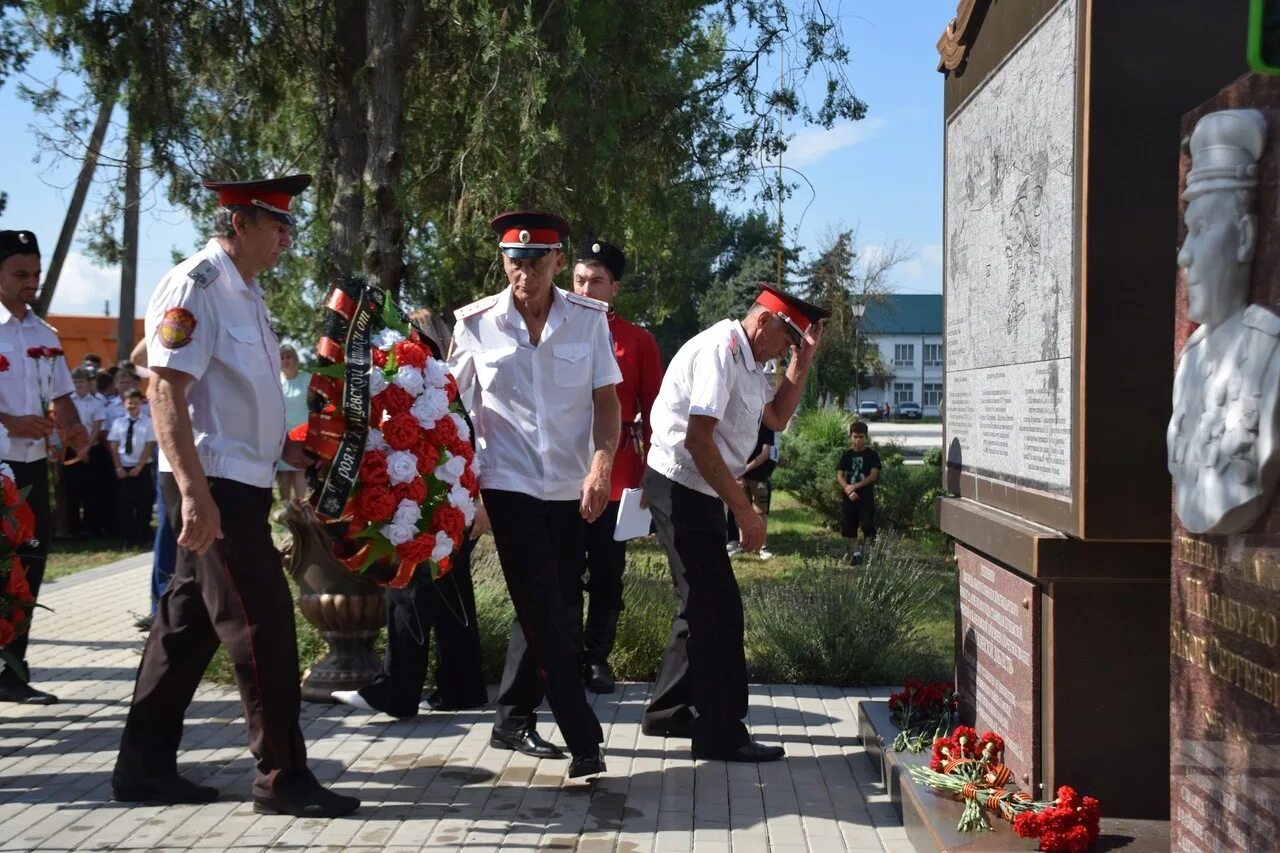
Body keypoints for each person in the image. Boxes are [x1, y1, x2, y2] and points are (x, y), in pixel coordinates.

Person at [112, 175, 359, 817]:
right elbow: (164, 388)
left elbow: (240, 398)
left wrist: (290, 451)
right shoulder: (195, 284)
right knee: (262, 625)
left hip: (240, 481)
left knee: (187, 626)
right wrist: (195, 493)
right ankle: (282, 778)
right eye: (276, 225)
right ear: (239, 223)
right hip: (211, 483)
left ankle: (141, 768)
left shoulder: (244, 291)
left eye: (287, 226)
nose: (285, 237)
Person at [448, 210, 620, 779]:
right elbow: (453, 413)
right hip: (508, 484)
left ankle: (511, 719)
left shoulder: (589, 320)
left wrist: (601, 465)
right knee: (546, 606)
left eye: (537, 261)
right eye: (514, 262)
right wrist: (466, 491)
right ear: (503, 262)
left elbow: (606, 401)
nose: (525, 274)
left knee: (557, 609)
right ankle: (584, 738)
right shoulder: (474, 325)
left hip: (573, 487)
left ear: (556, 261)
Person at [641, 282, 825, 762]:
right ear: (763, 320)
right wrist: (744, 510)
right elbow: (698, 441)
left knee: (700, 604)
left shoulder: (749, 358)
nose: (785, 348)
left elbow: (777, 416)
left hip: (701, 489)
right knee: (717, 611)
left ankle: (667, 710)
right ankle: (721, 733)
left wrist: (800, 362)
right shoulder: (721, 352)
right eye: (786, 338)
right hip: (681, 487)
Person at [332, 323, 488, 719]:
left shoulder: (427, 388)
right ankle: (462, 686)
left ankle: (396, 691)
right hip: (456, 500)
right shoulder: (441, 386)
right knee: (453, 592)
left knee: (408, 592)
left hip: (433, 505)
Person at [1168, 108, 1280, 534]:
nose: (1185, 255)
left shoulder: (1268, 355)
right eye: (1186, 233)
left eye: (1200, 230)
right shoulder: (1189, 363)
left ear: (1246, 237)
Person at [0, 229, 91, 704]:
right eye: (19, 273)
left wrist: (74, 428)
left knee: (27, 567)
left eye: (34, 274)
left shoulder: (44, 334)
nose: (30, 282)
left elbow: (62, 396)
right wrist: (9, 420)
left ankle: (11, 673)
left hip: (31, 469)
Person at [570, 237, 663, 694]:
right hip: (561, 471)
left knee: (607, 573)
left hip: (617, 473)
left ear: (615, 288)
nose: (586, 289)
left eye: (597, 281)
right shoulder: (551, 330)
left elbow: (658, 414)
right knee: (560, 570)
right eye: (579, 279)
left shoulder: (636, 341)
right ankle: (562, 655)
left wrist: (652, 477)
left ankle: (596, 658)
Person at [107, 389, 155, 547]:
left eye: (135, 402)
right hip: (123, 467)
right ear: (124, 404)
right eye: (129, 402)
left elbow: (149, 445)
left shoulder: (148, 422)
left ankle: (142, 535)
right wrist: (118, 467)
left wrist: (140, 466)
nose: (132, 405)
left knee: (143, 503)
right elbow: (114, 446)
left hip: (141, 467)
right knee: (124, 504)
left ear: (141, 403)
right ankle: (126, 537)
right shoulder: (118, 422)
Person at [725, 422, 776, 559]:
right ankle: (744, 544)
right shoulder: (741, 423)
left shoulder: (767, 424)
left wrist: (745, 469)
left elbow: (766, 452)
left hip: (758, 477)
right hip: (739, 476)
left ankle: (762, 547)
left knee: (760, 512)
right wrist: (738, 473)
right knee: (739, 510)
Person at [65, 365, 103, 538]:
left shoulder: (96, 403)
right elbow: (65, 427)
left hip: (90, 450)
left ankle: (90, 528)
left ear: (89, 383)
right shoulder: (68, 403)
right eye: (75, 381)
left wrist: (86, 448)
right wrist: (77, 450)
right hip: (72, 450)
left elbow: (96, 428)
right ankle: (73, 528)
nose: (78, 384)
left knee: (91, 491)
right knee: (71, 491)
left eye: (81, 381)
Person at [837, 420, 880, 564]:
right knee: (850, 526)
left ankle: (870, 553)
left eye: (861, 437)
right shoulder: (847, 455)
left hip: (866, 496)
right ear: (850, 437)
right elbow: (840, 475)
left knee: (868, 524)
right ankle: (856, 553)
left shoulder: (871, 454)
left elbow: (873, 475)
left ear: (866, 437)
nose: (858, 440)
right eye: (855, 437)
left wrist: (855, 486)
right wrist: (848, 489)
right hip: (849, 497)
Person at [276, 344, 308, 502]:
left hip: (301, 432)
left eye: (288, 356)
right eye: (282, 357)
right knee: (283, 476)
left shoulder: (307, 379)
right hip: (280, 433)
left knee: (299, 471)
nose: (285, 360)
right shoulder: (275, 380)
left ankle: (300, 509)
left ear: (295, 358)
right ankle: (285, 512)